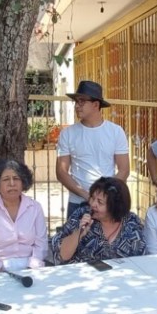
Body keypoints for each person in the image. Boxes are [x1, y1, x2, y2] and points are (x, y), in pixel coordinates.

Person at [56, 80, 130, 219]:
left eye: (82, 101)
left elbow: (124, 169)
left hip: (108, 203)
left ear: (96, 105)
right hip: (78, 202)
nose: (77, 106)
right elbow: (61, 172)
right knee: (75, 234)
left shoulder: (115, 132)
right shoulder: (67, 134)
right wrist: (87, 196)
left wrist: (105, 196)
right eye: (76, 101)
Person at [0, 159, 48, 273]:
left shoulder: (35, 208)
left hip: (31, 267)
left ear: (23, 182)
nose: (12, 183)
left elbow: (41, 244)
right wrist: (0, 272)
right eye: (6, 179)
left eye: (16, 178)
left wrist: (31, 269)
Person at [51, 177, 145, 264]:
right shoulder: (81, 215)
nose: (93, 204)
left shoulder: (131, 222)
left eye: (100, 202)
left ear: (115, 207)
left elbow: (140, 258)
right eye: (92, 198)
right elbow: (61, 256)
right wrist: (79, 233)